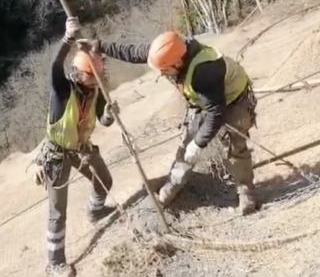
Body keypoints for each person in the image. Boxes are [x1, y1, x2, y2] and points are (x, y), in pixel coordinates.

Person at [76, 31, 258, 216]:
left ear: (178, 63)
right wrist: (99, 46)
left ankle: (246, 193)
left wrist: (199, 143)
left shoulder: (205, 72)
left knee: (235, 147)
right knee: (186, 148)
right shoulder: (167, 51)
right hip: (205, 102)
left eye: (164, 71)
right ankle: (172, 187)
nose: (162, 74)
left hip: (235, 99)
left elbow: (216, 112)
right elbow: (132, 52)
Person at [31, 17, 118, 277]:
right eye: (93, 76)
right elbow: (54, 67)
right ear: (79, 75)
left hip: (81, 147)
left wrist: (110, 115)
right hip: (57, 154)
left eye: (98, 76)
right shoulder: (62, 90)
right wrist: (67, 40)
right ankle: (55, 261)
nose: (97, 80)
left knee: (104, 180)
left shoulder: (95, 91)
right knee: (58, 212)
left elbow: (102, 118)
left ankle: (95, 210)